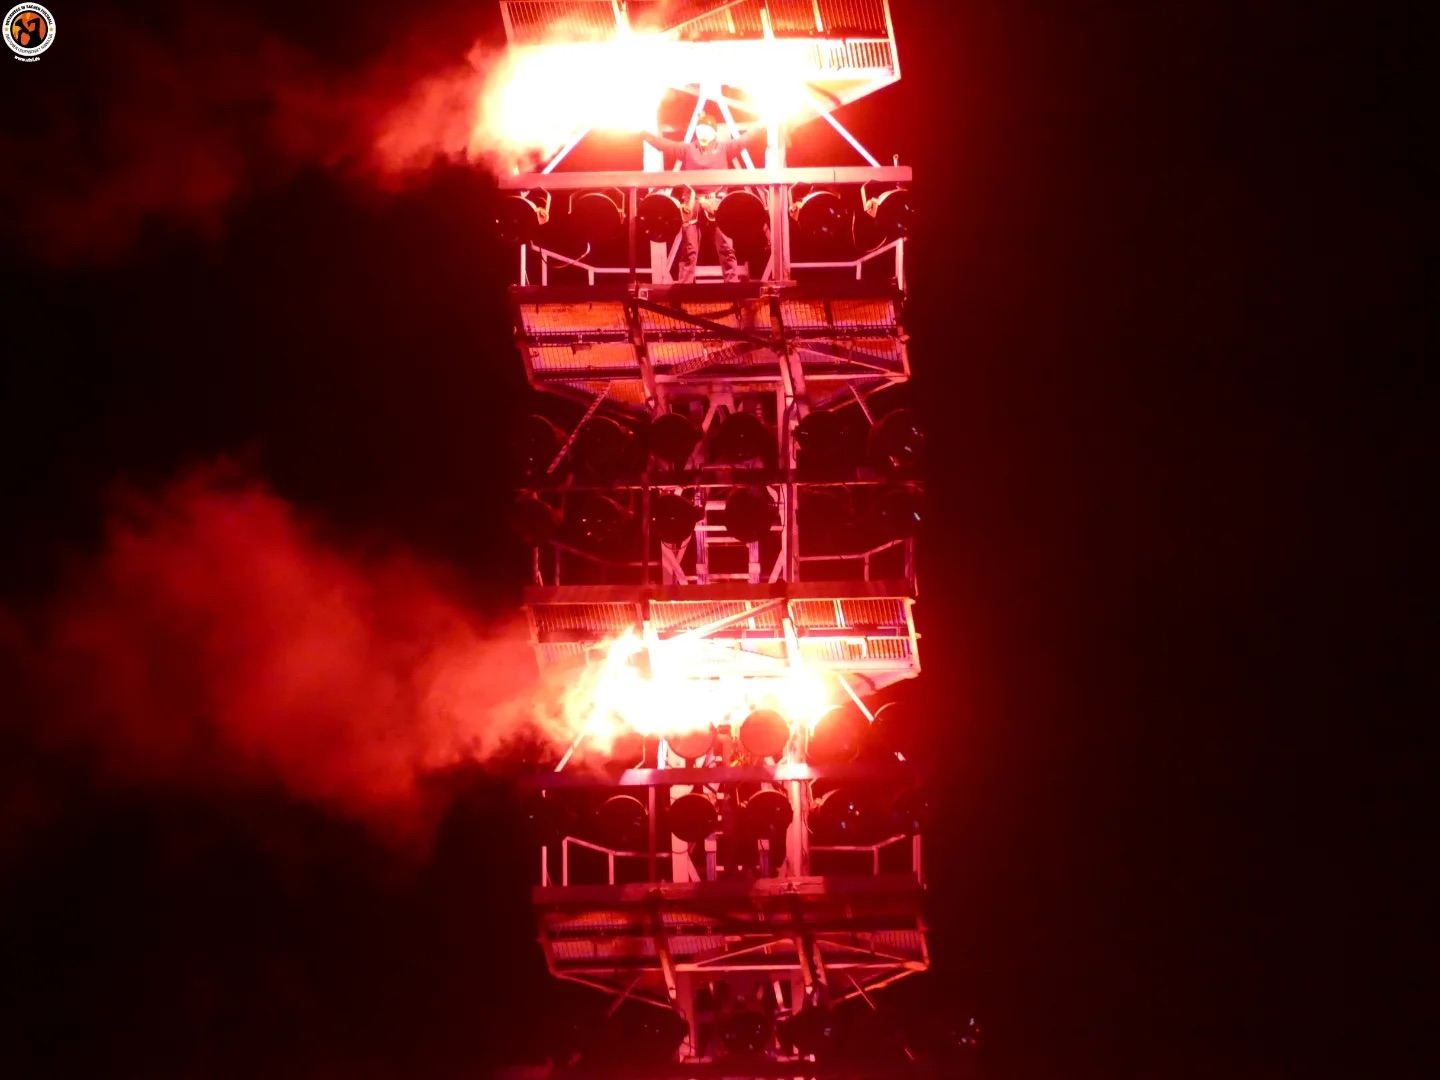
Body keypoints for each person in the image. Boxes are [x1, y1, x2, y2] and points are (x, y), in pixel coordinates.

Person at [641, 112, 768, 283]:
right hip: (692, 203)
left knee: (726, 248)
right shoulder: (687, 149)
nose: (702, 132)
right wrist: (645, 135)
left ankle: (733, 291)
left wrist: (761, 124)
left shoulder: (724, 149)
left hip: (716, 203)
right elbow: (664, 145)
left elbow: (744, 140)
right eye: (699, 128)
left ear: (714, 132)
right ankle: (684, 293)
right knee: (689, 249)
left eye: (706, 129)